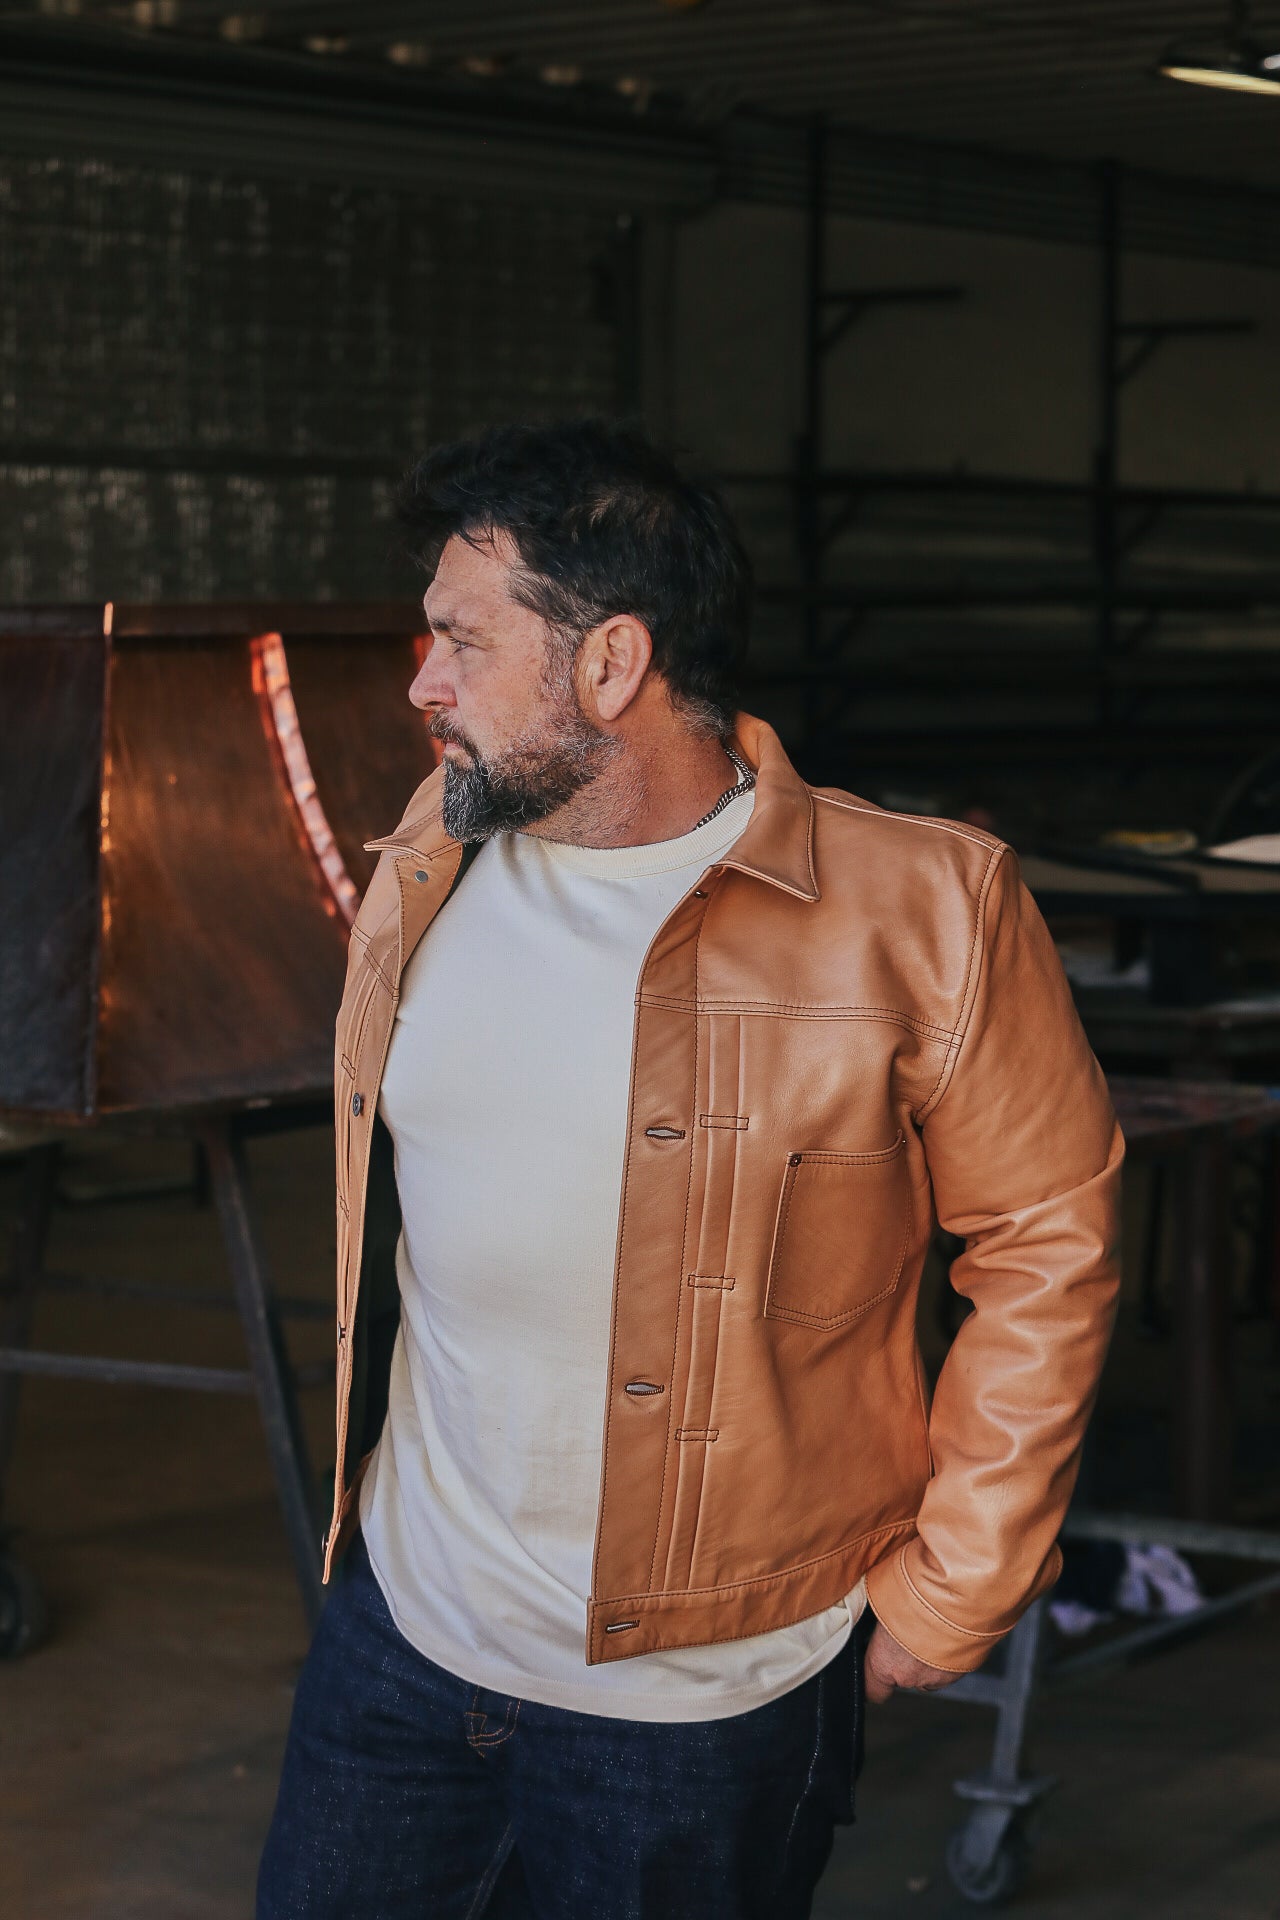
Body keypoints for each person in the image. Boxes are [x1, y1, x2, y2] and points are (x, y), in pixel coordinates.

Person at [258, 419, 1122, 1920]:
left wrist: (963, 1578)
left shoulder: (923, 908)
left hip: (700, 1702)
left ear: (610, 666)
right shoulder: (431, 855)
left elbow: (1047, 1242)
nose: (423, 684)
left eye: (462, 642)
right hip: (399, 1645)